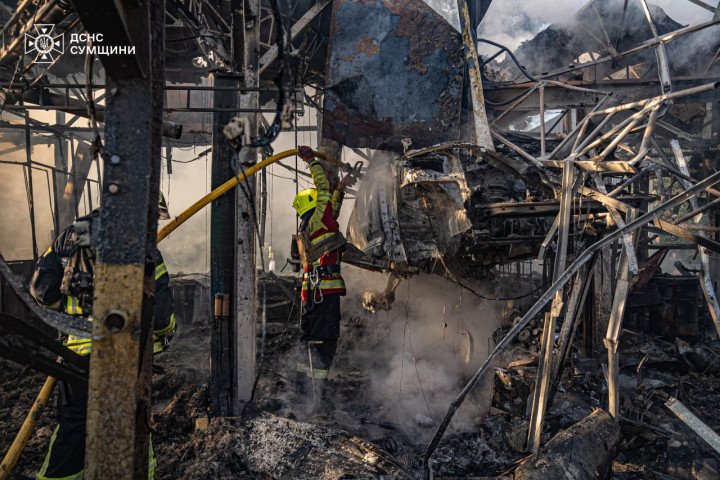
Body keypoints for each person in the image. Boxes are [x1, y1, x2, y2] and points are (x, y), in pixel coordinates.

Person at [29, 201, 175, 480]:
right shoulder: (144, 249)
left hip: (75, 358)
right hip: (125, 357)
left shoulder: (68, 238)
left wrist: (77, 315)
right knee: (134, 430)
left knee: (72, 431)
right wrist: (168, 332)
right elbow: (159, 316)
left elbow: (41, 291)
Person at [291, 146, 356, 411]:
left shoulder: (312, 226)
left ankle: (302, 388)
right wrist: (311, 160)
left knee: (308, 339)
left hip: (312, 295)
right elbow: (324, 191)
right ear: (314, 203)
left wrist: (341, 186)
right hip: (324, 296)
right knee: (325, 343)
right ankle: (318, 395)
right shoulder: (319, 218)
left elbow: (333, 209)